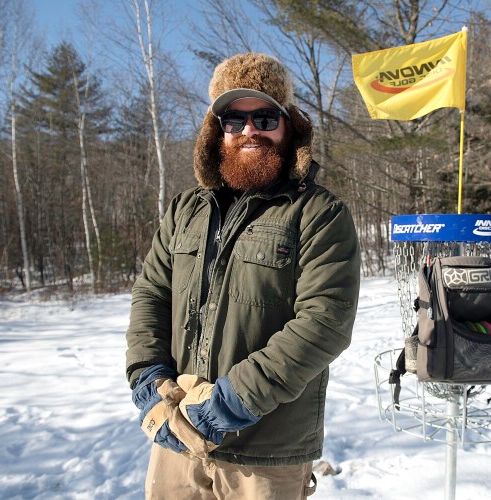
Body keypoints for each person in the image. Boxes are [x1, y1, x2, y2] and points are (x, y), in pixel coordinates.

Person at [125, 53, 361, 499]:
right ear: (218, 131)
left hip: (267, 452)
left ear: (288, 124)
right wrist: (148, 378)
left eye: (265, 116)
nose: (249, 130)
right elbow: (151, 297)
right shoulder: (184, 210)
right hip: (177, 432)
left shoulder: (319, 213)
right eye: (235, 119)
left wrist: (229, 405)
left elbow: (324, 323)